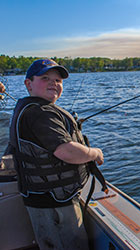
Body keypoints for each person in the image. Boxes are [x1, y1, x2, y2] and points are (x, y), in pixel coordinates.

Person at [7, 59, 104, 249]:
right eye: (45, 78)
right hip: (55, 204)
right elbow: (66, 151)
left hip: (42, 200)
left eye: (58, 80)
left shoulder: (27, 109)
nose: (54, 83)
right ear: (29, 84)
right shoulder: (40, 113)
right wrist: (95, 153)